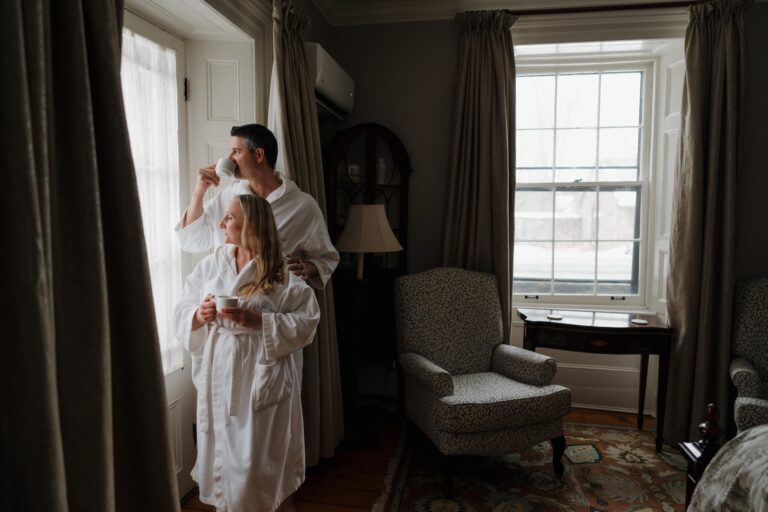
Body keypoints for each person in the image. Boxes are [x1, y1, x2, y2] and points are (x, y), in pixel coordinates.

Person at [173, 195, 319, 512]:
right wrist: (201, 315)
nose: (222, 223)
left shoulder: (280, 271)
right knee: (225, 456)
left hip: (261, 375)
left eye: (228, 217)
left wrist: (261, 323)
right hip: (220, 370)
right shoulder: (213, 264)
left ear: (250, 225)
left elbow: (308, 321)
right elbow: (182, 307)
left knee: (256, 459)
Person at [176, 123, 338, 290]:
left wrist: (307, 268)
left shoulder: (303, 206)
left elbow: (326, 258)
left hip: (273, 305)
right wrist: (199, 192)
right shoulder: (227, 198)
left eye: (236, 152)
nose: (229, 158)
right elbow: (191, 240)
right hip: (226, 300)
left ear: (259, 155)